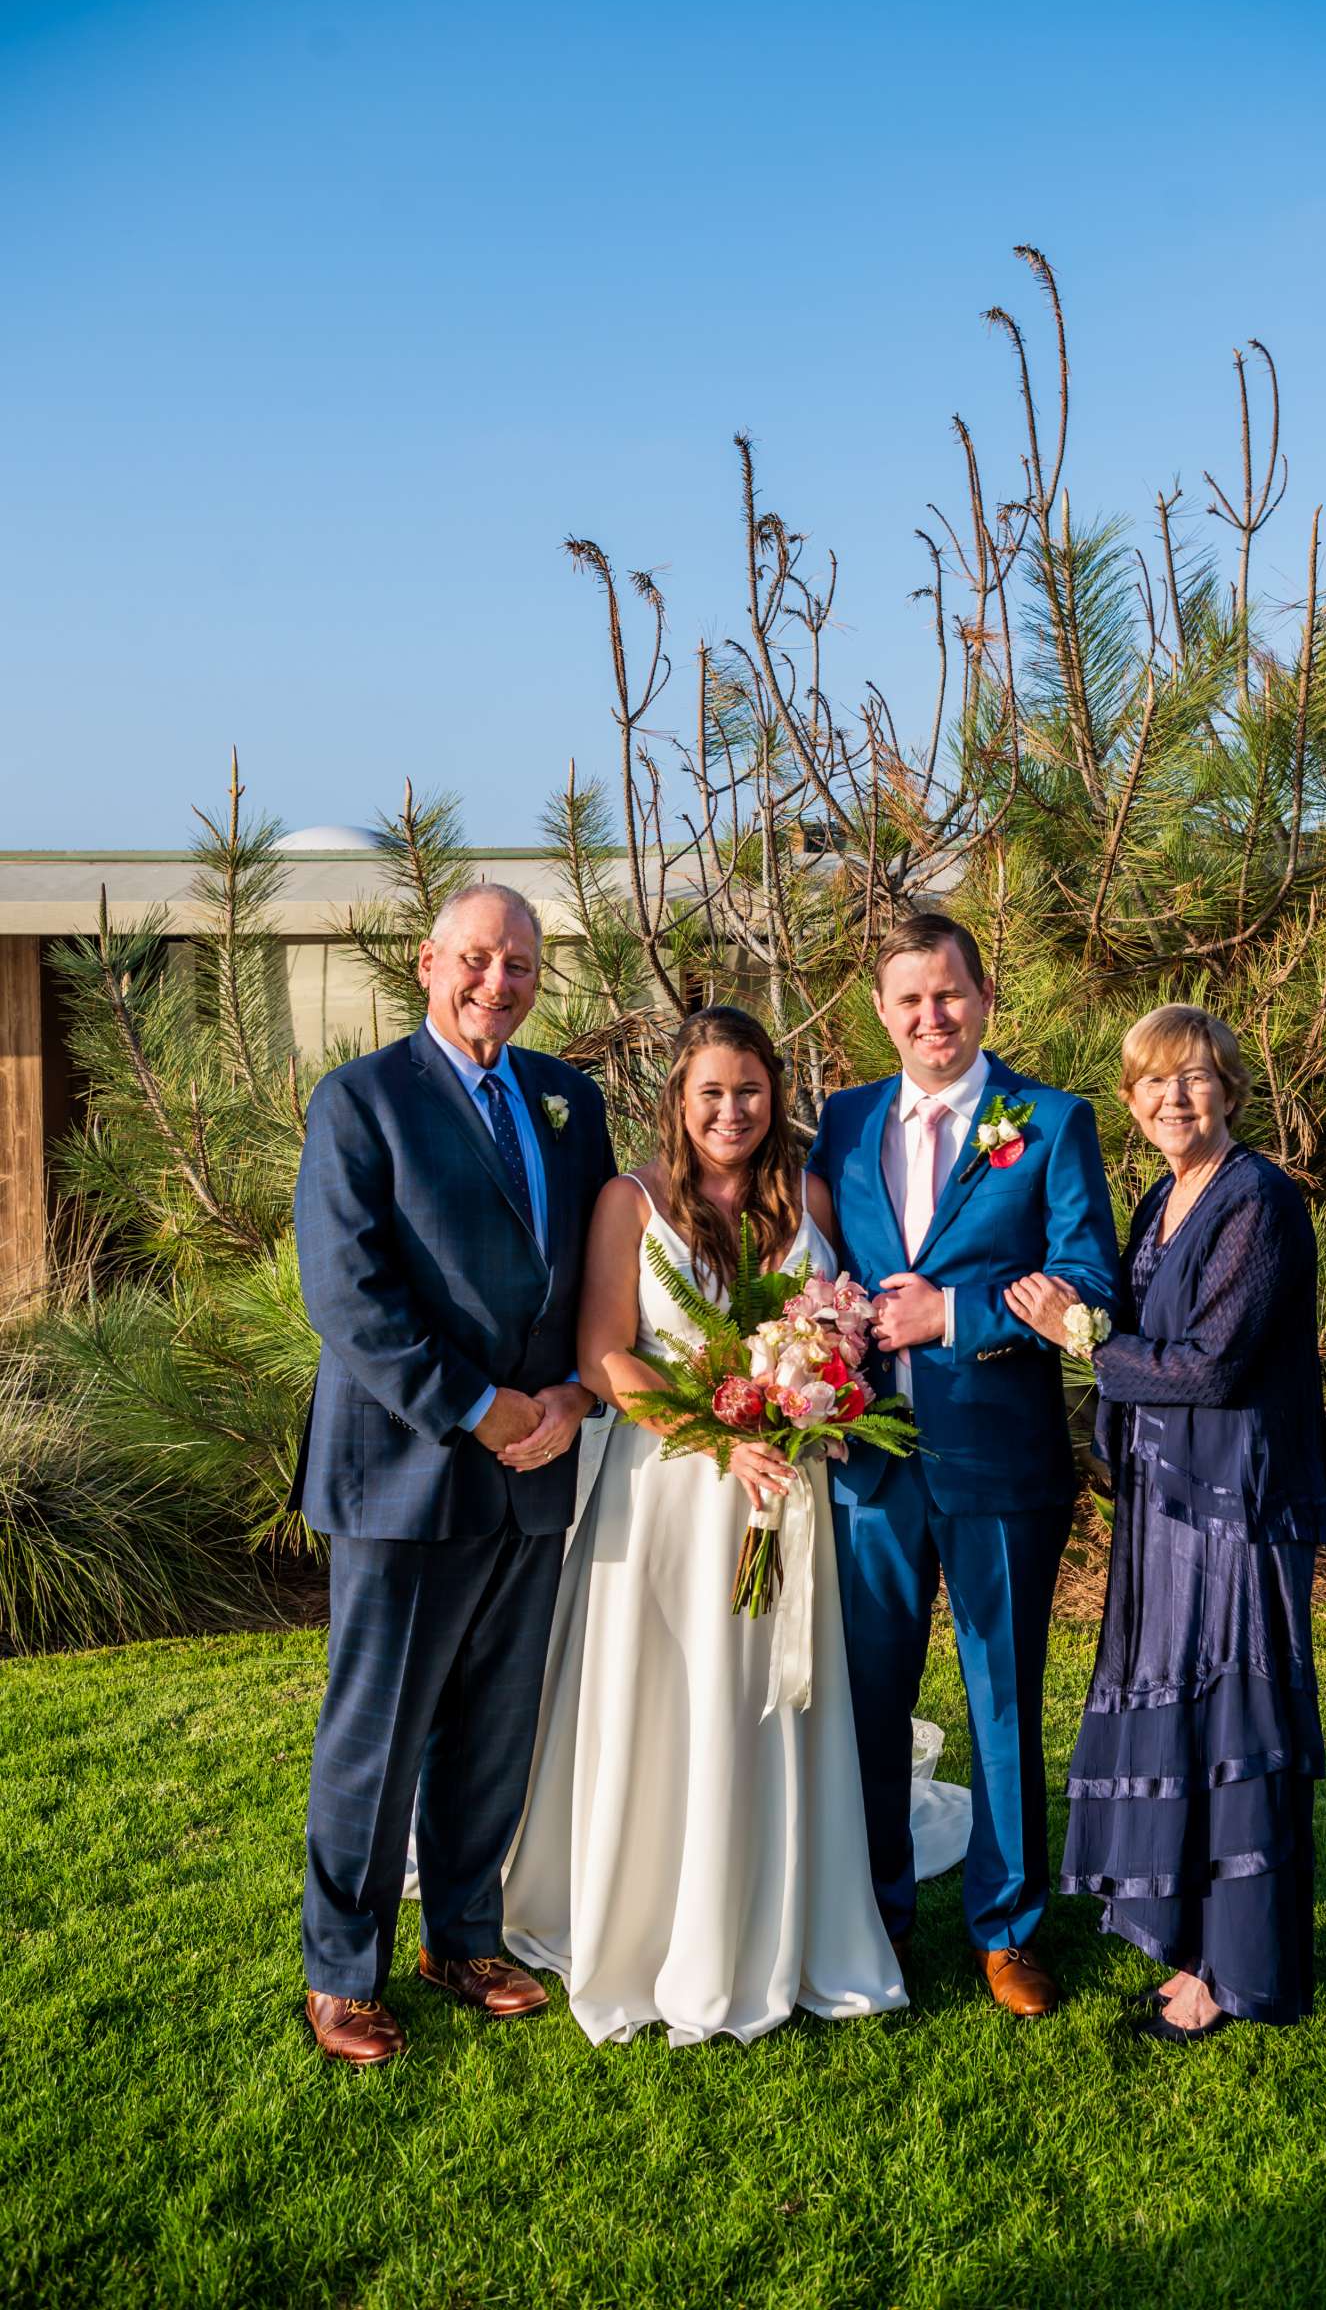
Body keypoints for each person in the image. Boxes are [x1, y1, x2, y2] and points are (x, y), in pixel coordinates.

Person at [499, 1005, 905, 2046]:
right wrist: (720, 1439)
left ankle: (784, 1919)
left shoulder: (809, 1195)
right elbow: (605, 1357)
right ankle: (659, 1925)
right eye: (711, 1092)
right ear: (679, 1100)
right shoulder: (631, 1203)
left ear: (777, 1095)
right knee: (678, 1697)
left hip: (787, 1491)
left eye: (752, 1090)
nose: (732, 1111)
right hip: (673, 1489)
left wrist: (820, 1388)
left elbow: (841, 1327)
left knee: (770, 1699)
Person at [291, 882, 615, 2066]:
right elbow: (349, 1296)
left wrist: (577, 1393)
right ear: (429, 963)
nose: (498, 982)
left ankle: (465, 1935)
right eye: (477, 959)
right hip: (409, 1472)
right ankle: (342, 1971)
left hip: (538, 1467)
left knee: (493, 1725)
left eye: (521, 964)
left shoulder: (570, 1102)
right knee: (378, 1731)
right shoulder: (362, 1100)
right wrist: (479, 1410)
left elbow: (598, 1276)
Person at [808, 914, 1119, 2016]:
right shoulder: (839, 1126)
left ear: (984, 997)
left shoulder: (1047, 1121)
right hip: (866, 1468)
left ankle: (1009, 1929)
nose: (931, 1018)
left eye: (950, 996)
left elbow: (1089, 1282)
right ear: (882, 1014)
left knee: (1002, 1700)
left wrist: (958, 1314)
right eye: (909, 1002)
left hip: (1000, 1460)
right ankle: (875, 1918)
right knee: (869, 1704)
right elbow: (808, 1270)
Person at [1006, 1005, 1326, 2038]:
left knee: (1237, 1726)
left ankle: (1233, 1973)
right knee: (1182, 1719)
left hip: (1239, 1502)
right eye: (1152, 1082)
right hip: (1166, 1499)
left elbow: (1213, 1364)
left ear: (1231, 1089)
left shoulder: (1258, 1201)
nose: (1172, 1098)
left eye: (1193, 1078)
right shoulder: (1160, 1197)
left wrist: (1077, 1339)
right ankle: (1189, 1947)